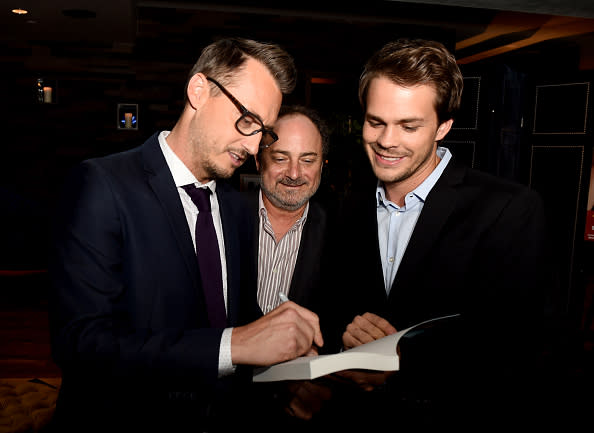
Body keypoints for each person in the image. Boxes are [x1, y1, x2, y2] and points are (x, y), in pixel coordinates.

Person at [47, 37, 323, 433]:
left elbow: (229, 317)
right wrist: (236, 345)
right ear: (198, 91)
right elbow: (81, 344)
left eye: (261, 132)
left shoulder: (233, 204)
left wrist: (289, 354)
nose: (251, 145)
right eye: (246, 120)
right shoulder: (103, 186)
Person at [317, 38, 552, 430]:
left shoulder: (508, 208)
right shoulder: (346, 207)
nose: (387, 141)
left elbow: (521, 349)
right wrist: (344, 339)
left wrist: (401, 368)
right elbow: (333, 307)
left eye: (409, 126)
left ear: (444, 126)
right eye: (376, 122)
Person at [246, 105, 333, 428]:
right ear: (258, 159)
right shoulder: (219, 219)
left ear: (322, 165)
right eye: (281, 158)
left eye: (307, 160)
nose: (294, 173)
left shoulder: (345, 235)